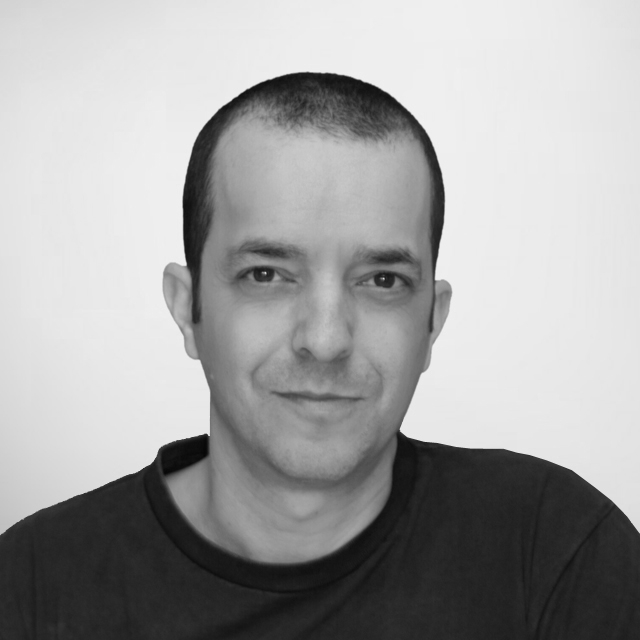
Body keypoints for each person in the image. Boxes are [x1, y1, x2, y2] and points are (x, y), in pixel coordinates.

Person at [1, 72, 639, 638]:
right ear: (188, 307)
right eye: (266, 275)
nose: (326, 340)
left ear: (432, 322)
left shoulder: (555, 553)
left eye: (382, 280)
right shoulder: (30, 586)